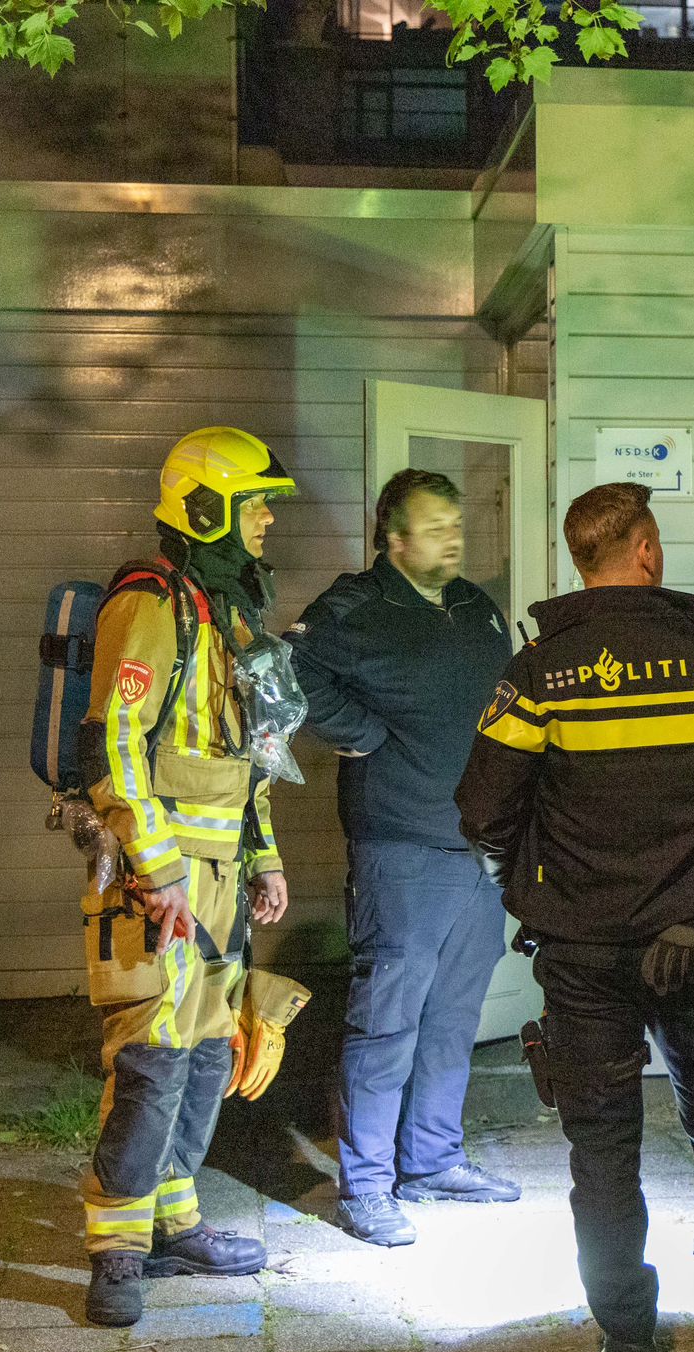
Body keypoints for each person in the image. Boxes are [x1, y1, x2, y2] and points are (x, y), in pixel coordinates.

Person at [455, 482, 694, 1352]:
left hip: (582, 956)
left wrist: (542, 892)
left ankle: (628, 1342)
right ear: (647, 550)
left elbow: (483, 810)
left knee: (602, 1150)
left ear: (581, 561)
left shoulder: (539, 672)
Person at [78, 426, 299, 1327]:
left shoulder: (222, 612)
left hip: (219, 881)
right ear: (208, 508)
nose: (268, 519)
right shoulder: (149, 603)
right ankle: (116, 1251)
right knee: (152, 1060)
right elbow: (114, 742)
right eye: (256, 503)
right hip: (158, 883)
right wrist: (158, 866)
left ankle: (174, 1223)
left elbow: (245, 756)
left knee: (209, 1054)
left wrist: (264, 856)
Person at [287, 468, 521, 1246]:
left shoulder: (475, 608)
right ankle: (366, 1186)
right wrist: (358, 731)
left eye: (457, 523)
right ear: (394, 539)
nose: (454, 538)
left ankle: (432, 1159)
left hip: (478, 849)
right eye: (435, 526)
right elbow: (286, 674)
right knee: (386, 1022)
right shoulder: (356, 609)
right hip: (401, 848)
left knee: (454, 1016)